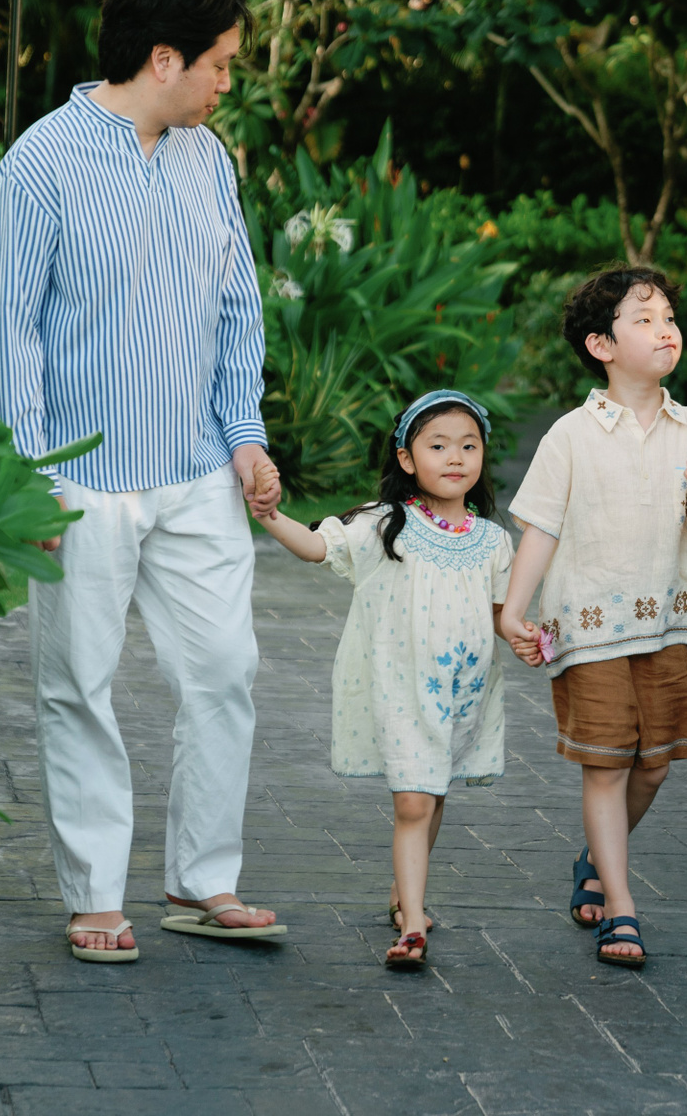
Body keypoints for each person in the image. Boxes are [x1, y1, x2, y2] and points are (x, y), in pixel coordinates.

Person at [0, 0, 287, 963]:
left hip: (197, 470)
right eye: (221, 63)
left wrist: (244, 437)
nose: (228, 82)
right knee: (79, 684)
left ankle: (202, 880)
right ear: (165, 58)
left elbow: (239, 308)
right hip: (81, 476)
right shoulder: (38, 165)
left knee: (226, 673)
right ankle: (93, 894)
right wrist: (33, 474)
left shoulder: (210, 160)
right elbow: (14, 335)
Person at [498, 268, 687, 969]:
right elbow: (541, 527)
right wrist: (513, 611)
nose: (666, 329)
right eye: (645, 319)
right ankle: (622, 905)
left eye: (669, 316)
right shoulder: (571, 435)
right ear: (601, 345)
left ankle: (595, 859)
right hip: (587, 627)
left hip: (662, 627)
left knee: (653, 769)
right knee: (606, 767)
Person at [258, 391, 514, 970]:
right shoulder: (383, 525)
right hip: (400, 690)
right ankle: (414, 925)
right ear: (406, 459)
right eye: (438, 446)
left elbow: (501, 614)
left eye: (468, 446)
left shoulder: (493, 540)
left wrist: (528, 634)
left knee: (433, 794)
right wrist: (271, 517)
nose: (455, 457)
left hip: (462, 692)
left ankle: (405, 892)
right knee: (413, 802)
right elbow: (318, 547)